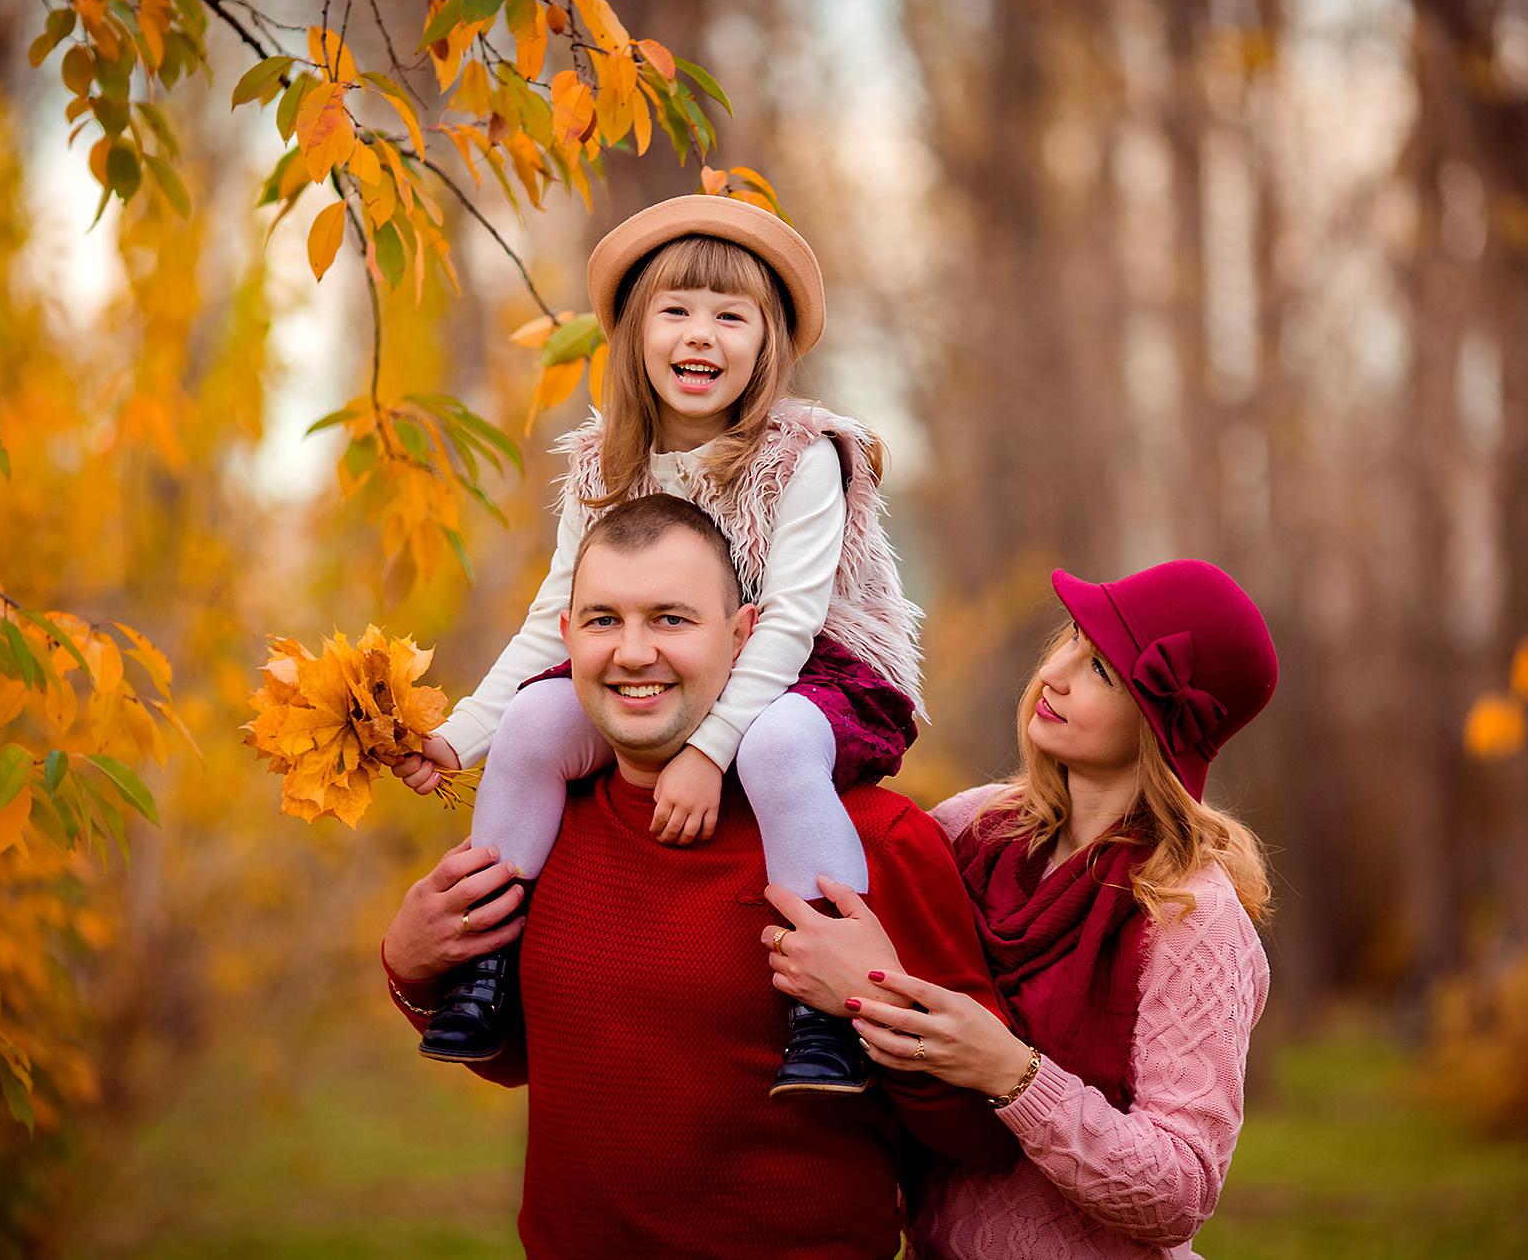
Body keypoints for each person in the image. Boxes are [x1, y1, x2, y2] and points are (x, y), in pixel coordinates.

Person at [382, 495, 1014, 1259]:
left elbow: (984, 1132)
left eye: (671, 619)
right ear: (567, 636)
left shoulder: (873, 836)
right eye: (604, 619)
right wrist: (413, 971)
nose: (633, 652)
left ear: (744, 636)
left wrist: (880, 1008)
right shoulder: (544, 825)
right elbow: (522, 1063)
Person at [396, 195, 922, 1095]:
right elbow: (554, 615)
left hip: (805, 671)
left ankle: (827, 1007)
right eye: (676, 310)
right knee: (534, 722)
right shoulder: (605, 461)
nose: (700, 334)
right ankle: (487, 967)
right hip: (661, 667)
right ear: (637, 334)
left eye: (731, 316)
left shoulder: (804, 457)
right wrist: (459, 736)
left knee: (777, 746)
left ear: (768, 344)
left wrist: (707, 753)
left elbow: (790, 622)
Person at [763, 561, 1278, 1258]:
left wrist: (1011, 1072)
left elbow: (1180, 1192)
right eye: (1071, 638)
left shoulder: (1192, 915)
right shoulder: (973, 828)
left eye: (1100, 669)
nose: (1054, 674)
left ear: (1160, 725)